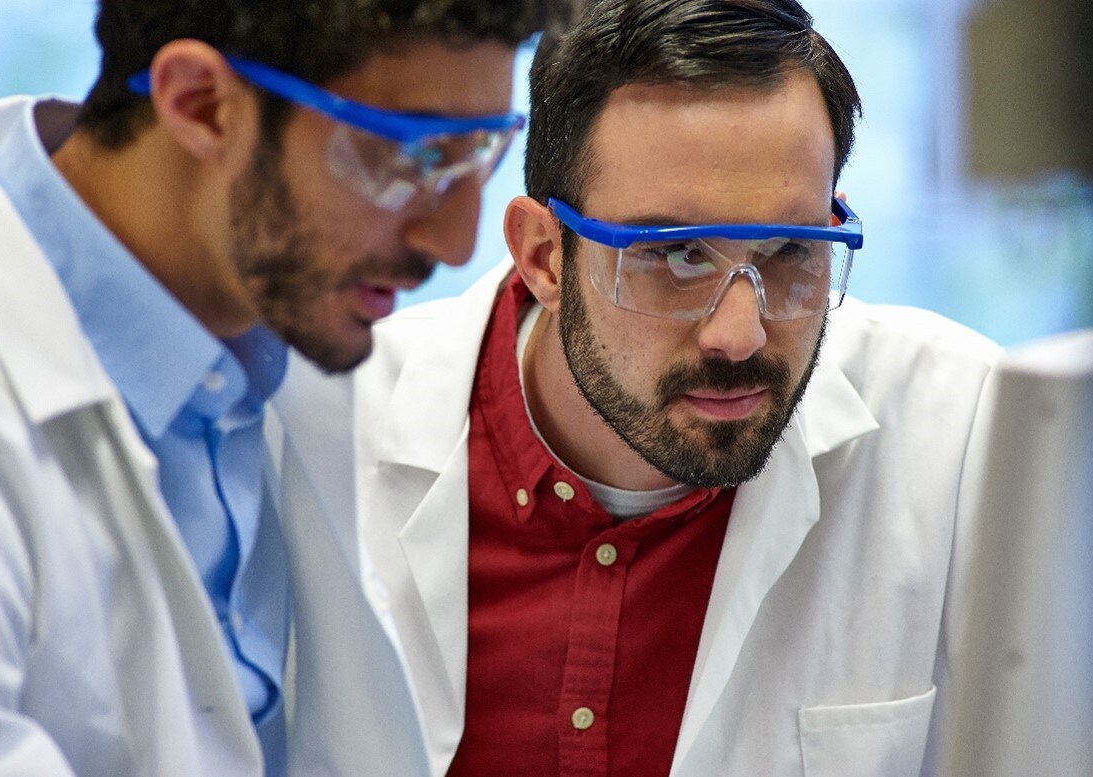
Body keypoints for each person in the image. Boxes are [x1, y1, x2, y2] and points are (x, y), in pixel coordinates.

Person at [274, 0, 1005, 774]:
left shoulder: (964, 434)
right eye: (675, 254)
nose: (739, 334)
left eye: (794, 249)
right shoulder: (314, 433)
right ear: (544, 256)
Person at [0, 1, 573, 774]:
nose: (454, 240)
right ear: (200, 104)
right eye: (408, 158)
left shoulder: (274, 314)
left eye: (479, 154)